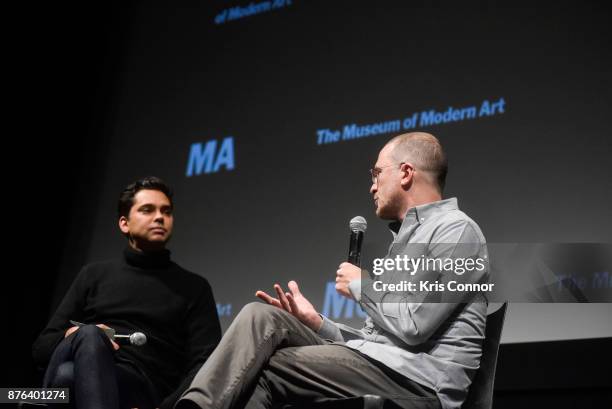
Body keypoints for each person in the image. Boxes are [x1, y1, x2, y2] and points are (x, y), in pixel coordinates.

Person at [177, 132, 489, 409]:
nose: (371, 186)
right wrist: (317, 323)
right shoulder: (405, 242)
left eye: (377, 174)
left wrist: (362, 285)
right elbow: (379, 339)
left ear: (406, 173)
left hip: (419, 381)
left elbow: (414, 326)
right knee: (261, 317)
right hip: (386, 365)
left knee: (266, 368)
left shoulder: (458, 231)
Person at [32, 176, 222, 409]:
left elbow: (205, 364)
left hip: (144, 388)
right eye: (147, 210)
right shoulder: (93, 275)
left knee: (61, 378)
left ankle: (33, 401)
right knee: (88, 339)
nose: (160, 217)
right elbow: (41, 348)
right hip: (85, 365)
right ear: (124, 223)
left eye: (166, 211)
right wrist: (77, 334)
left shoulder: (194, 287)